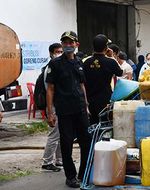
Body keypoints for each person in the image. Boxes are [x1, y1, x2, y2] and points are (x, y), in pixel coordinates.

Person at [46, 31, 92, 188]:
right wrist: (50, 113)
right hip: (64, 110)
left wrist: (86, 105)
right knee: (66, 144)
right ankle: (70, 176)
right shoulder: (55, 64)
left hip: (80, 109)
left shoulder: (79, 62)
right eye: (64, 43)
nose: (67, 45)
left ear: (76, 44)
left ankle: (83, 174)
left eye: (70, 42)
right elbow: (50, 89)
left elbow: (81, 85)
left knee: (86, 142)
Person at [83, 34, 123, 125]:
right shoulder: (110, 62)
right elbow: (120, 72)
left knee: (92, 125)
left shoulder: (86, 62)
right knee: (105, 126)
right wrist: (112, 56)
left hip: (89, 101)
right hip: (105, 101)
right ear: (106, 48)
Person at [41, 43, 63, 172]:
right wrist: (50, 112)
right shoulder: (50, 68)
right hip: (53, 105)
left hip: (60, 105)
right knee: (54, 135)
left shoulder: (58, 66)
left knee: (60, 134)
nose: (59, 53)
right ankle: (47, 161)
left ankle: (59, 160)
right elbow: (49, 90)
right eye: (57, 51)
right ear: (51, 53)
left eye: (61, 51)